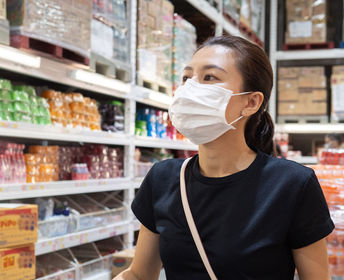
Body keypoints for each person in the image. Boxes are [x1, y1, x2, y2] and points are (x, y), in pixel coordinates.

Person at [114, 35, 334, 280]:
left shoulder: (292, 185)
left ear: (251, 102)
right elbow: (139, 274)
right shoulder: (163, 179)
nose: (189, 88)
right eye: (187, 78)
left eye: (210, 77)